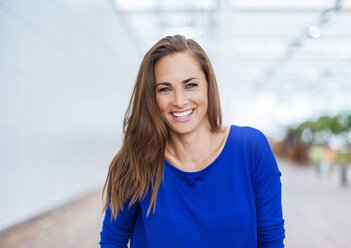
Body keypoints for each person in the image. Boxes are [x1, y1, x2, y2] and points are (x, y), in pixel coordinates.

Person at [99, 35, 285, 248]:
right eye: (165, 89)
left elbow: (271, 241)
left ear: (208, 85)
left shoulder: (251, 148)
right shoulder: (137, 160)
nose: (179, 101)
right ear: (152, 97)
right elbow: (112, 241)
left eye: (190, 85)